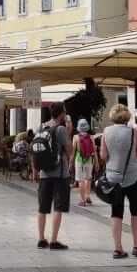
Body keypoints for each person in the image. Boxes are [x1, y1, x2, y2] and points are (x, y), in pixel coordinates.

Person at [101, 104, 137, 259]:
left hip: (114, 179)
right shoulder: (133, 132)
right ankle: (136, 246)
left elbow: (102, 155)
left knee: (116, 212)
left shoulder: (106, 132)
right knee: (136, 211)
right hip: (133, 177)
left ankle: (118, 248)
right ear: (127, 116)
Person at [32, 101, 72, 250]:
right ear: (62, 113)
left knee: (42, 208)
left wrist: (35, 170)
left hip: (44, 173)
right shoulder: (60, 129)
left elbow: (35, 150)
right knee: (58, 207)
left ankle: (41, 239)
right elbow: (69, 150)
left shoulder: (41, 127)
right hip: (60, 174)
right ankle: (54, 240)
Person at [73, 119, 96, 207]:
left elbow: (73, 151)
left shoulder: (76, 137)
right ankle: (87, 196)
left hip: (79, 160)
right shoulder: (91, 137)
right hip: (89, 160)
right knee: (88, 178)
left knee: (80, 180)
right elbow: (94, 150)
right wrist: (96, 162)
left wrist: (70, 162)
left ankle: (82, 200)